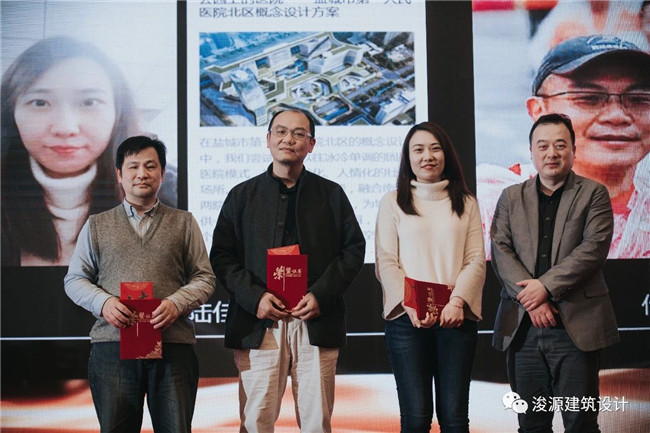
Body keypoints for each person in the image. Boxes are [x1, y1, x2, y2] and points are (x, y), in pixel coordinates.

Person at [210, 108, 365, 432]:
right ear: (268, 139)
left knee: (316, 421)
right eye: (280, 131)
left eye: (298, 133)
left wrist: (321, 294)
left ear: (311, 144)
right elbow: (222, 257)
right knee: (256, 420)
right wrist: (255, 297)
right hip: (259, 321)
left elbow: (353, 250)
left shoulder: (331, 194)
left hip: (315, 319)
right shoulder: (242, 195)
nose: (288, 139)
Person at [64, 136, 215, 433]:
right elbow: (75, 279)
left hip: (172, 348)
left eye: (150, 166)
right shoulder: (97, 224)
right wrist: (104, 303)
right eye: (133, 167)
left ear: (162, 173)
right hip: (113, 347)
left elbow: (205, 277)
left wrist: (176, 303)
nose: (142, 174)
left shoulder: (184, 222)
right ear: (119, 174)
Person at [491, 113, 619, 433]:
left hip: (576, 326)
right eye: (543, 146)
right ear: (531, 151)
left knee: (580, 422)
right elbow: (500, 249)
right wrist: (533, 299)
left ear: (574, 150)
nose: (552, 153)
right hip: (524, 327)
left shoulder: (594, 193)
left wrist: (544, 288)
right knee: (531, 423)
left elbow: (593, 249)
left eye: (560, 145)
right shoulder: (511, 197)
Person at [1, 36, 176, 267]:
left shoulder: (169, 191)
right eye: (40, 103)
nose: (65, 128)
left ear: (117, 113)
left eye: (89, 102)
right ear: (11, 111)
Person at [478, 35, 650, 258]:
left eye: (639, 99)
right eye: (589, 98)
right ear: (539, 111)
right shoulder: (490, 205)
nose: (617, 116)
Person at [375, 122, 485, 433]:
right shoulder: (393, 201)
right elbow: (386, 260)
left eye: (435, 149)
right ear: (408, 157)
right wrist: (410, 303)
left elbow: (475, 259)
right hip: (407, 321)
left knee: (454, 418)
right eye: (419, 150)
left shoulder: (466, 202)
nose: (428, 156)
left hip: (456, 319)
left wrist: (457, 302)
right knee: (415, 418)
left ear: (446, 155)